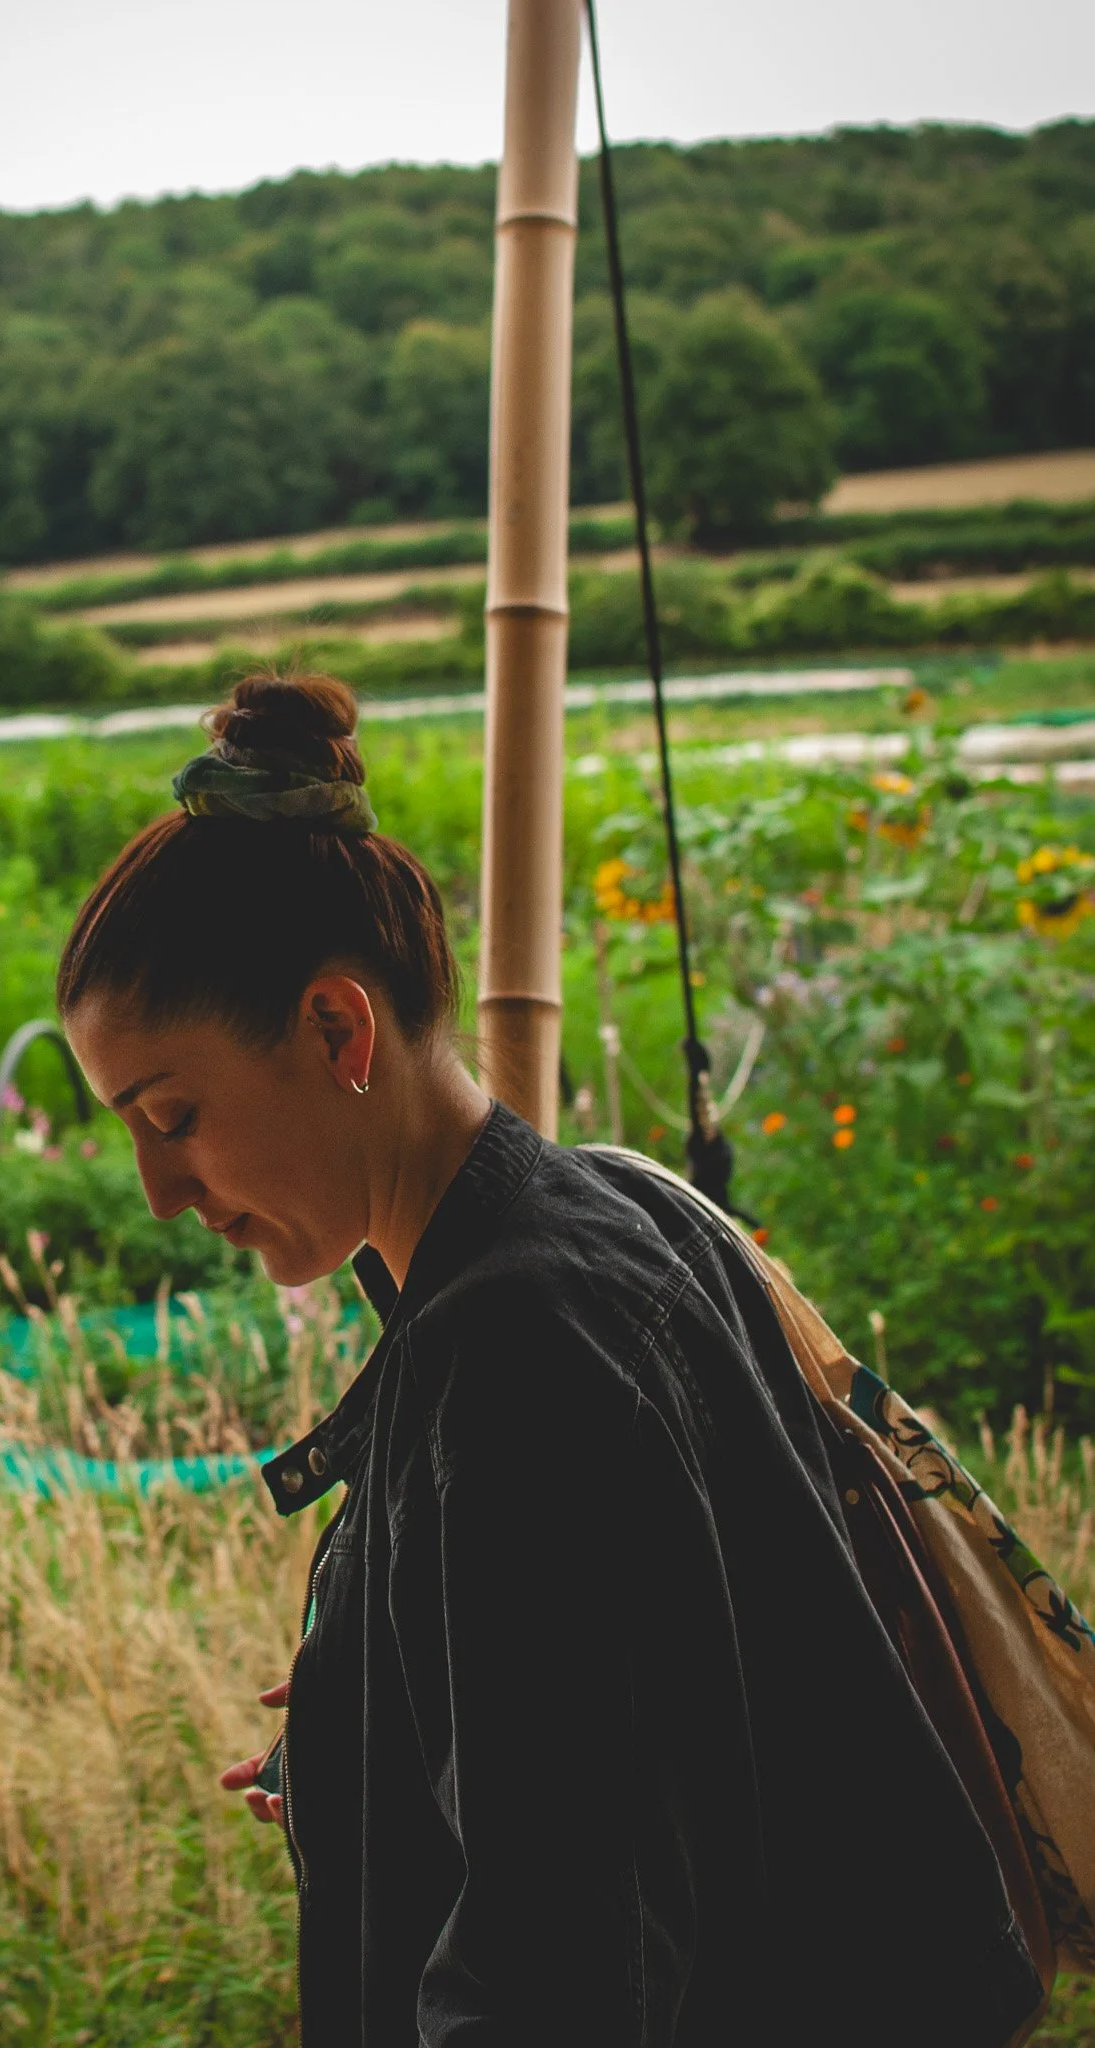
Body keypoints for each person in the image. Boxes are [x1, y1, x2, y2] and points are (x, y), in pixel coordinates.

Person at [56, 670, 1044, 2047]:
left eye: (173, 1115)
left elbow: (557, 1964)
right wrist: (381, 1732)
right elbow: (693, 1693)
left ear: (337, 1029)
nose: (163, 1191)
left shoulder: (522, 1350)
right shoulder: (597, 1214)